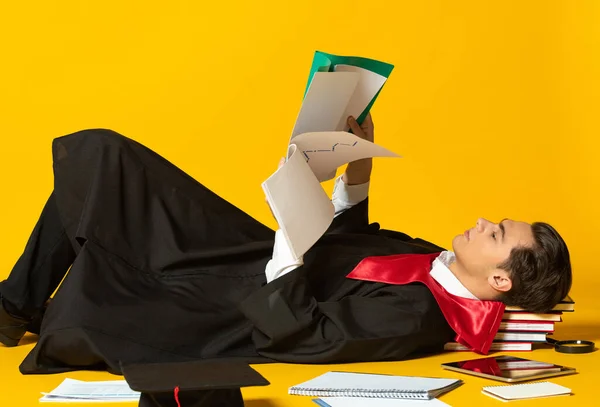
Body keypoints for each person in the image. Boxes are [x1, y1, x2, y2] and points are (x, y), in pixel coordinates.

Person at [0, 115, 572, 376]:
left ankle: (10, 307)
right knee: (104, 167)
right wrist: (354, 168)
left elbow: (311, 336)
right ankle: (12, 304)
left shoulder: (419, 316)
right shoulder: (437, 261)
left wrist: (291, 242)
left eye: (495, 234)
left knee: (94, 199)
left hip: (246, 299)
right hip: (246, 250)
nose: (480, 222)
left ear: (500, 280)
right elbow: (355, 250)